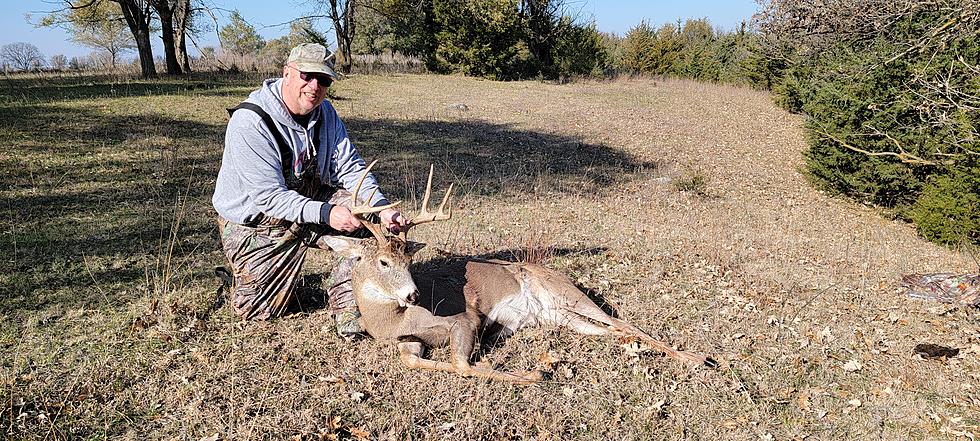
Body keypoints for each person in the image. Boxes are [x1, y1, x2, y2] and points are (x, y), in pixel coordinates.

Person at [212, 43, 406, 338]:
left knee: (367, 223)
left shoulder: (325, 112)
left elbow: (350, 167)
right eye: (307, 76)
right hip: (257, 223)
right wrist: (327, 214)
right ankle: (252, 277)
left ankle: (349, 313)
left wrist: (381, 208)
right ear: (287, 73)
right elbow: (268, 197)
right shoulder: (250, 121)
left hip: (310, 203)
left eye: (324, 80)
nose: (314, 87)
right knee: (259, 310)